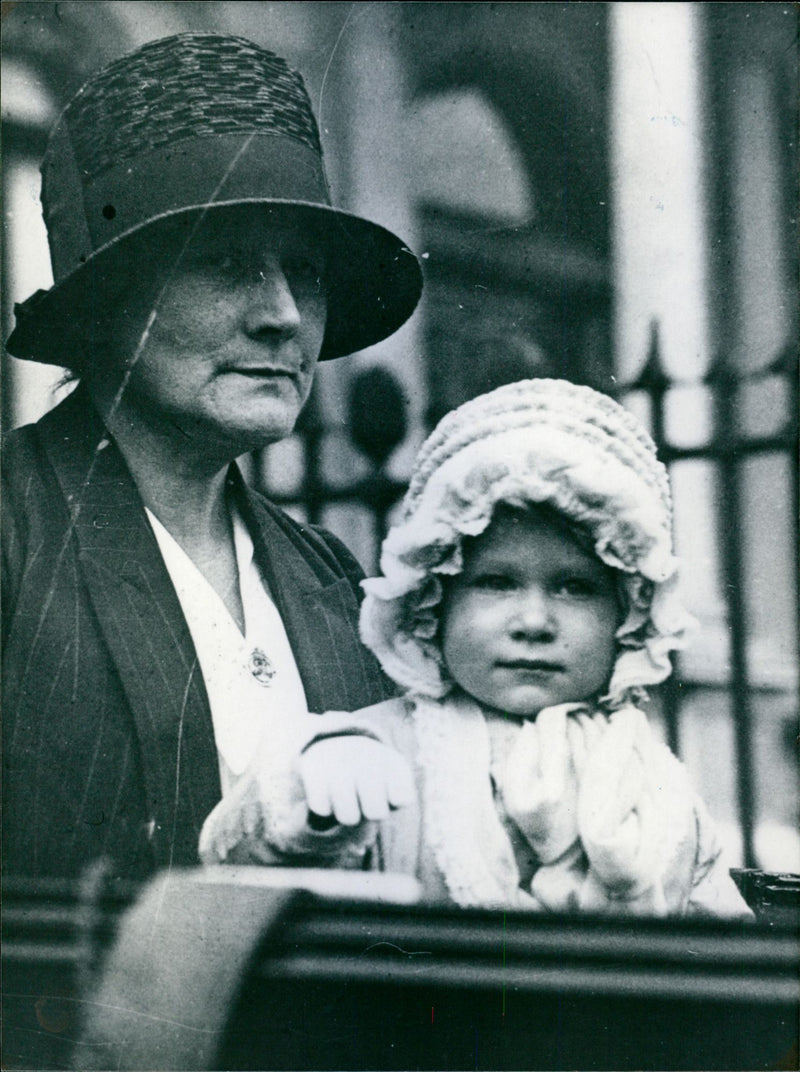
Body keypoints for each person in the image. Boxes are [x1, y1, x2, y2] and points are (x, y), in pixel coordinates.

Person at [1, 32, 422, 884]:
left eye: (302, 273)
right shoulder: (16, 535)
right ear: (112, 296)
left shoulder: (330, 576)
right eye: (227, 262)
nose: (285, 317)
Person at [199, 378, 752, 919]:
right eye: (496, 582)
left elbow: (724, 957)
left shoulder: (655, 785)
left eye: (574, 587)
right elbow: (237, 883)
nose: (533, 622)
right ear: (431, 600)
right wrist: (306, 798)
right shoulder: (378, 751)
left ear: (629, 613)